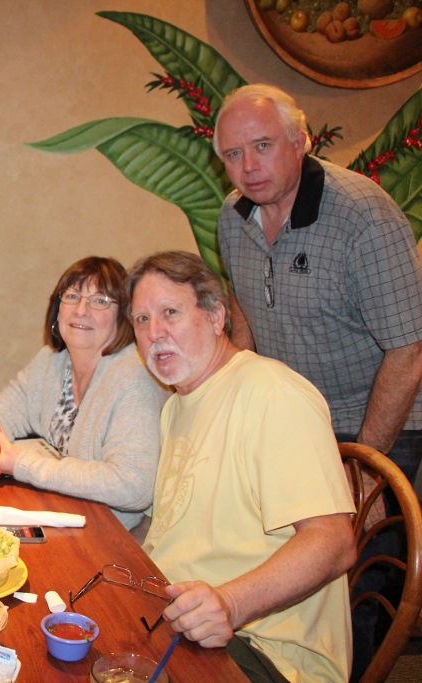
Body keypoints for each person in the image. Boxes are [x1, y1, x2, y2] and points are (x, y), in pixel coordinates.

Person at [127, 250, 357, 683]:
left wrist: (229, 604)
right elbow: (170, 527)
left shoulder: (273, 393)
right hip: (177, 618)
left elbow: (334, 540)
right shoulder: (177, 404)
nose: (154, 333)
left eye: (170, 313)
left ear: (217, 315)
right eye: (141, 320)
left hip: (264, 648)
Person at [215, 83, 422, 489]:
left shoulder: (364, 217)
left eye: (262, 146)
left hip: (376, 423)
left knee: (350, 550)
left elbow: (410, 352)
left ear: (299, 142)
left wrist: (364, 468)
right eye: (233, 155)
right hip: (293, 419)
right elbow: (241, 298)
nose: (249, 167)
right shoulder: (232, 216)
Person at [0, 256, 168, 530]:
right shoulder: (53, 360)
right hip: (57, 513)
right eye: (72, 296)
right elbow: (6, 406)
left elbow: (132, 485)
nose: (81, 310)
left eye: (100, 301)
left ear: (123, 316)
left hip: (110, 534)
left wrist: (22, 464)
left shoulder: (133, 378)